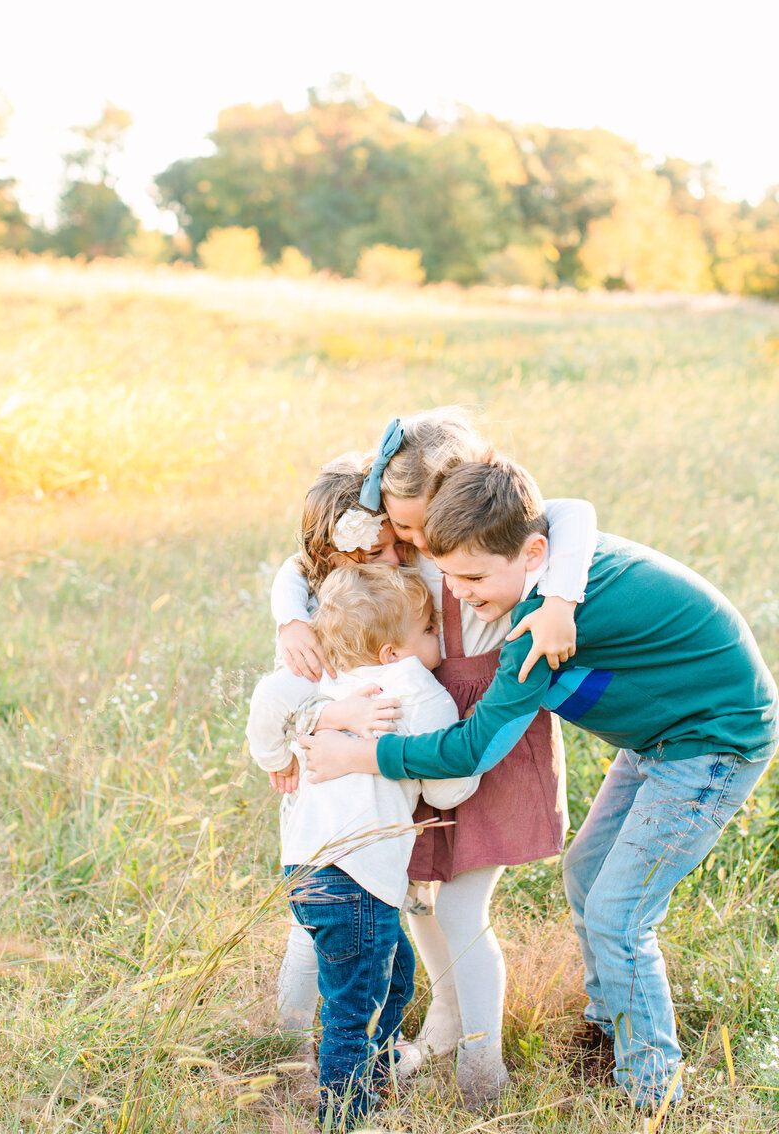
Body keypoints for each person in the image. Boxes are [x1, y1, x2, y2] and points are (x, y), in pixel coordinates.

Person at [300, 456, 779, 1110]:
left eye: (471, 578)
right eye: (450, 578)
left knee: (618, 912)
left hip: (712, 740)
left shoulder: (535, 620)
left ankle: (653, 1094)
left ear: (533, 555)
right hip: (658, 739)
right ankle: (610, 1026)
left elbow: (471, 750)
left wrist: (365, 756)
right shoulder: (547, 572)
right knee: (588, 875)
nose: (461, 594)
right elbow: (566, 514)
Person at [280, 563, 480, 1127]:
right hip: (357, 879)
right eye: (429, 630)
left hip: (305, 871)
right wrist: (476, 769)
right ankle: (343, 1116)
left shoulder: (332, 689)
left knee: (393, 975)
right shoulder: (418, 691)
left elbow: (293, 724)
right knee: (355, 1009)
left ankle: (377, 1072)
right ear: (395, 652)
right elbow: (446, 779)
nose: (439, 639)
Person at [244, 455, 405, 1043]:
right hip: (319, 790)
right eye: (378, 552)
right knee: (317, 922)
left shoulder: (365, 590)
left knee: (332, 915)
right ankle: (288, 1037)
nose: (396, 558)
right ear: (338, 560)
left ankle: (303, 1033)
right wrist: (278, 758)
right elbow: (274, 702)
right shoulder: (320, 633)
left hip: (367, 793)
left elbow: (292, 566)